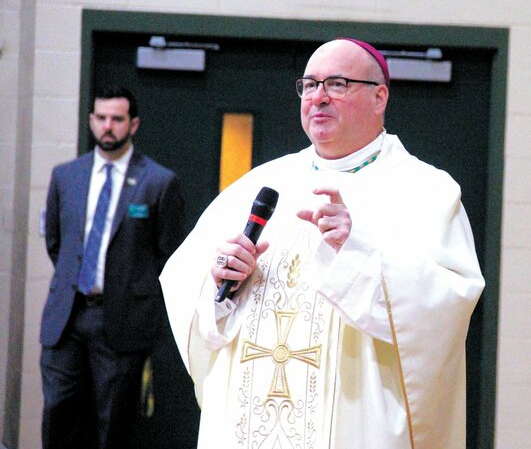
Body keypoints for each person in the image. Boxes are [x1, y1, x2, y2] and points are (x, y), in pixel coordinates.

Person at [160, 38, 485, 448]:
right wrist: (222, 284)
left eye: (337, 84)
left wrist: (357, 250)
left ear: (379, 96)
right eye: (309, 85)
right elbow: (187, 290)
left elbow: (447, 307)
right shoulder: (260, 185)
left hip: (356, 423)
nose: (318, 97)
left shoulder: (426, 192)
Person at [40, 85, 186, 448]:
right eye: (101, 118)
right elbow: (57, 243)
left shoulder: (158, 181)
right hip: (68, 314)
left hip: (122, 319)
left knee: (113, 423)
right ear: (91, 121)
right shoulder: (65, 176)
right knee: (58, 411)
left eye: (117, 119)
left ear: (132, 124)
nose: (108, 126)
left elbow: (171, 253)